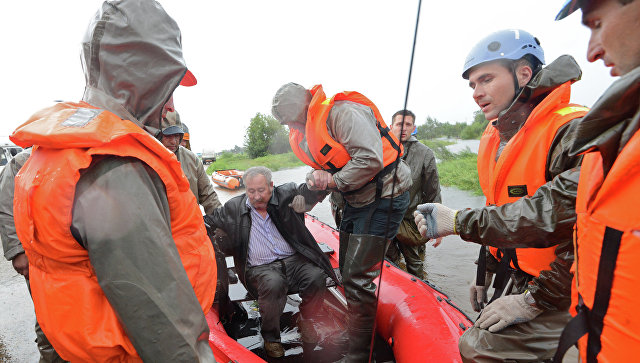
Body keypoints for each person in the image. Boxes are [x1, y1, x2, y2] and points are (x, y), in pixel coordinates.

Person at [9, 1, 217, 361]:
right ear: (143, 78)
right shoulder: (117, 167)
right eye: (167, 84)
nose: (170, 103)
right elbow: (165, 329)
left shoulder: (58, 151)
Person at [415, 29, 589, 362]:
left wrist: (534, 301)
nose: (476, 93)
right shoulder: (497, 138)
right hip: (525, 272)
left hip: (568, 285)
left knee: (476, 348)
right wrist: (486, 272)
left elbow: (572, 227)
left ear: (524, 74)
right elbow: (501, 209)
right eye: (472, 85)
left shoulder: (571, 130)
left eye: (486, 79)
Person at [271, 83, 411, 362]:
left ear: (303, 109)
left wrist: (332, 181)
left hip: (385, 195)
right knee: (347, 271)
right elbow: (330, 165)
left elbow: (369, 160)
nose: (292, 126)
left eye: (293, 119)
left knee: (357, 277)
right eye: (287, 123)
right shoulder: (303, 132)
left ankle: (360, 354)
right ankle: (358, 332)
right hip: (356, 200)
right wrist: (309, 198)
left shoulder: (343, 113)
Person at [203, 166, 338, 358]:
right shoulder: (233, 207)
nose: (256, 196)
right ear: (245, 189)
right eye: (251, 191)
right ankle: (271, 338)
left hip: (293, 261)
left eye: (261, 190)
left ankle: (306, 320)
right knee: (274, 284)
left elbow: (308, 191)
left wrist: (315, 178)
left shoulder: (287, 194)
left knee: (316, 277)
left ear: (271, 186)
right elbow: (207, 221)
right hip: (259, 268)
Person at [0, 148, 66, 363]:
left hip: (74, 258)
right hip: (39, 258)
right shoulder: (21, 161)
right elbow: (6, 207)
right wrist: (16, 251)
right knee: (49, 321)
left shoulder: (79, 154)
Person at [385, 109, 441, 279]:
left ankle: (421, 292)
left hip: (410, 219)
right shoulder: (380, 149)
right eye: (399, 124)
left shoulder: (425, 153)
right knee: (388, 259)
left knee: (415, 262)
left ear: (413, 128)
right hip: (384, 218)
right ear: (390, 126)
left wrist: (436, 227)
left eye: (408, 124)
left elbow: (433, 190)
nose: (403, 128)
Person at [160, 110, 221, 214]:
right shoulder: (143, 160)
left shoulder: (192, 159)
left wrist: (223, 221)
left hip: (191, 225)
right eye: (168, 136)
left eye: (177, 136)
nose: (174, 141)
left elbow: (209, 196)